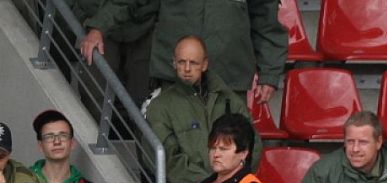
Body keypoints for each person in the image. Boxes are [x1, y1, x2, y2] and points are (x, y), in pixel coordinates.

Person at [142, 36, 251, 183]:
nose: (187, 68)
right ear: (173, 63)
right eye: (182, 62)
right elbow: (166, 160)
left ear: (205, 64)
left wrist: (232, 182)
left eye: (193, 63)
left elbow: (252, 143)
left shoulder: (228, 99)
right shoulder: (161, 106)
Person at [80, 0, 285, 106]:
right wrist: (99, 27)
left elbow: (266, 19)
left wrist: (269, 72)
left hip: (228, 77)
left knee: (230, 152)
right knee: (163, 152)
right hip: (172, 77)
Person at [68, 0, 156, 103]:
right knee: (94, 90)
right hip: (97, 23)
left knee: (140, 95)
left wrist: (98, 26)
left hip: (143, 26)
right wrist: (85, 19)